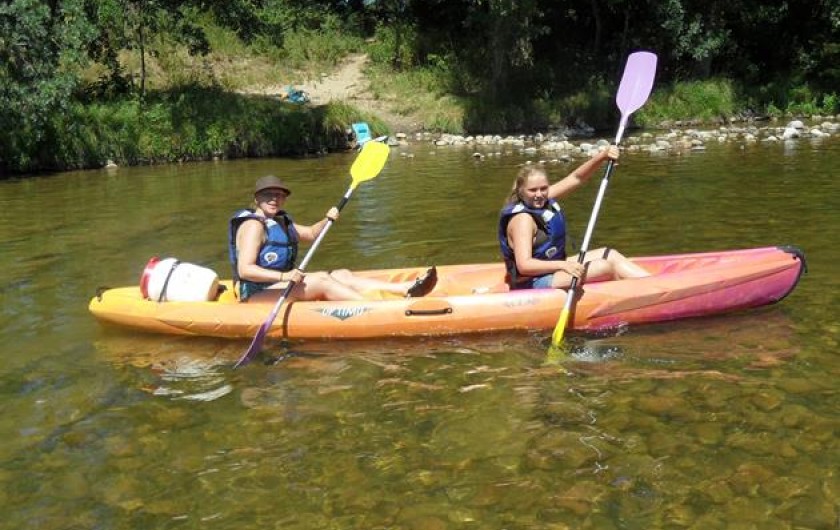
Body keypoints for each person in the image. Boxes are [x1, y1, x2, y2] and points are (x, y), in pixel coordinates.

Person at [229, 175, 437, 302]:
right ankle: (375, 308)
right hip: (255, 293)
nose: (274, 199)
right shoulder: (253, 226)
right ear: (257, 198)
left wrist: (327, 219)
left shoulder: (279, 222)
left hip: (278, 285)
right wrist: (285, 276)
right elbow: (245, 270)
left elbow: (311, 234)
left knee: (342, 275)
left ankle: (403, 289)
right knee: (321, 279)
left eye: (279, 195)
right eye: (268, 195)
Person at [498, 146, 650, 290]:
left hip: (551, 269)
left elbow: (576, 178)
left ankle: (652, 284)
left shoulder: (542, 199)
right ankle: (633, 294)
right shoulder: (522, 220)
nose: (539, 194)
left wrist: (602, 157)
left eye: (543, 188)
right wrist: (563, 265)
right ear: (521, 191)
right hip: (533, 281)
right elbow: (524, 266)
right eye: (532, 190)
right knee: (603, 267)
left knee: (609, 254)